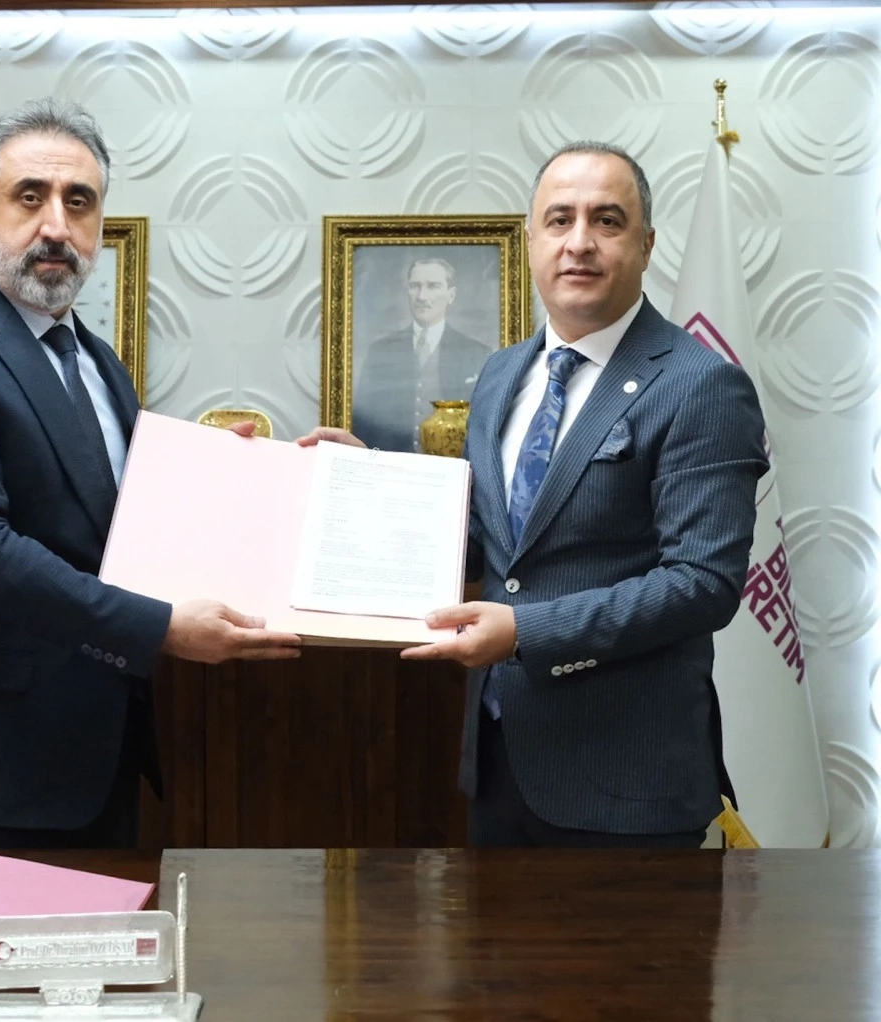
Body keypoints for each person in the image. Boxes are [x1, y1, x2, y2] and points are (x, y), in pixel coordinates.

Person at [0, 99, 301, 851]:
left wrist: (241, 473)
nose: (56, 226)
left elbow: (111, 518)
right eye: (29, 197)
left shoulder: (97, 360)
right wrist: (160, 628)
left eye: (79, 202)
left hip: (96, 758)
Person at [299, 141, 768, 848]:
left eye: (607, 220)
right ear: (530, 240)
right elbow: (488, 542)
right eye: (559, 219)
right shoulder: (500, 375)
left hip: (628, 785)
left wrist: (524, 633)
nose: (579, 242)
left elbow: (703, 585)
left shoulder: (700, 384)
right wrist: (367, 484)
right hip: (497, 766)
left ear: (645, 245)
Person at [351, 257, 490, 452]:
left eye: (433, 286)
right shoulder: (380, 351)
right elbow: (363, 425)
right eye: (415, 286)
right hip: (393, 465)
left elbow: (486, 428)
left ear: (451, 295)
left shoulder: (476, 353)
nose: (422, 296)